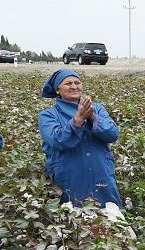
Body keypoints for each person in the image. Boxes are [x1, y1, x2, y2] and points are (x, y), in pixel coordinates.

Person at [38, 69, 122, 207]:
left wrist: (92, 117)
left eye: (77, 82)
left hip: (101, 173)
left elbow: (113, 134)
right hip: (70, 177)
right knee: (73, 219)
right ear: (57, 90)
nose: (74, 86)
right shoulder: (48, 115)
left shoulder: (97, 109)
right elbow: (59, 140)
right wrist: (77, 121)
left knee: (110, 215)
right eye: (68, 83)